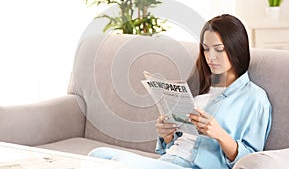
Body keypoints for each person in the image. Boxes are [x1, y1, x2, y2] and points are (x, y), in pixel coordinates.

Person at [88, 14, 272, 169]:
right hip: (170, 161)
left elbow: (252, 163)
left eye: (219, 49)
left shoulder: (255, 99)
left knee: (117, 162)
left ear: (236, 49)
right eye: (206, 49)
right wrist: (167, 135)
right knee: (97, 155)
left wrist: (219, 134)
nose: (210, 57)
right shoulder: (199, 86)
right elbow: (174, 146)